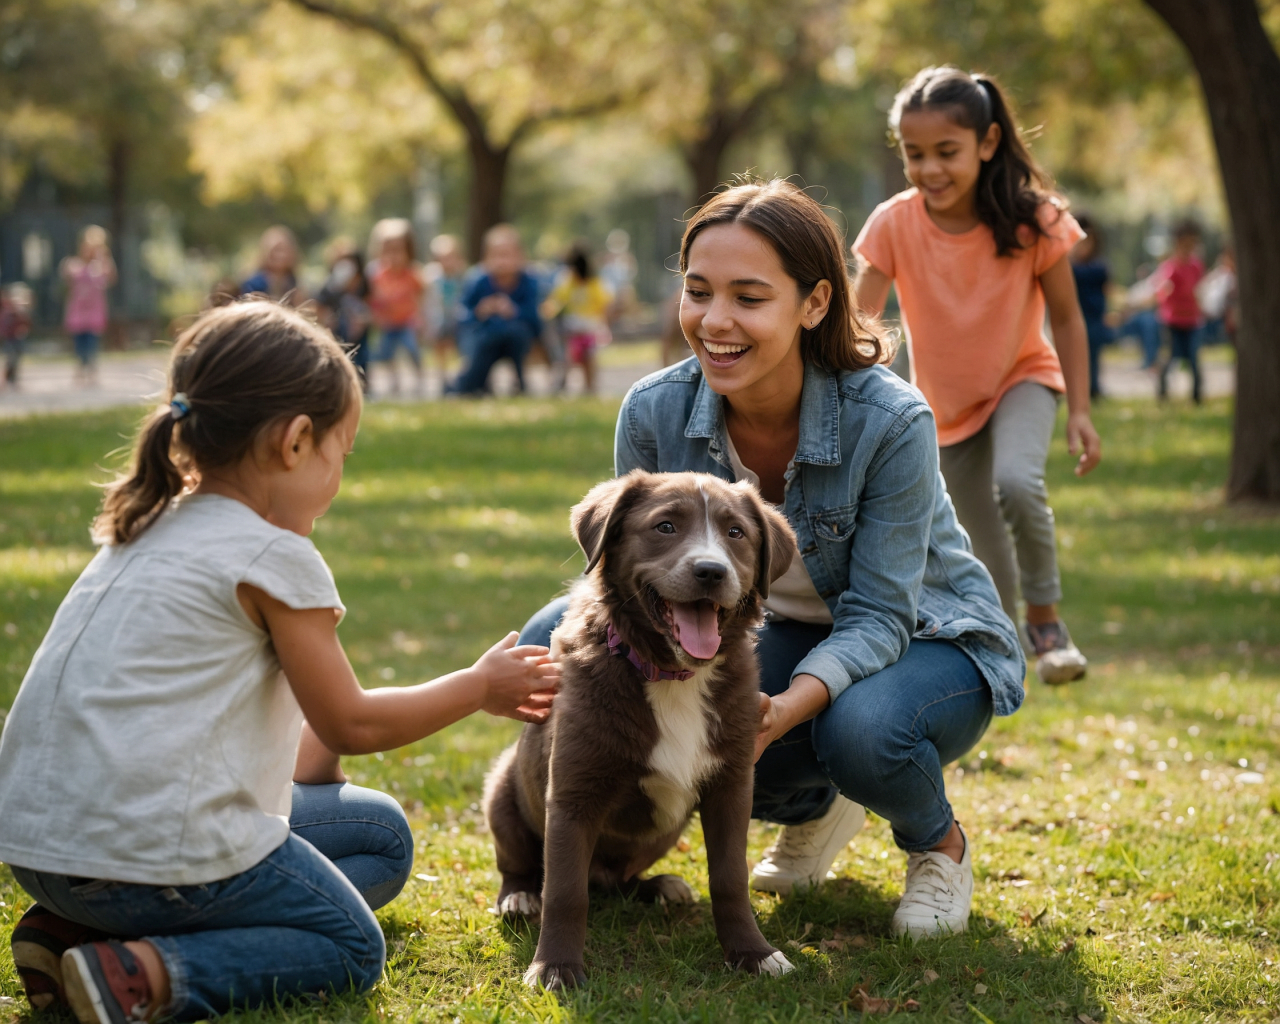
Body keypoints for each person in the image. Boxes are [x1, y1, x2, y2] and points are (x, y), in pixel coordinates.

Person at [0, 301, 558, 1022]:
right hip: (147, 852)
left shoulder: (145, 527)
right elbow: (352, 723)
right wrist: (477, 687)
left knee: (379, 836)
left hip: (44, 852)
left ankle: (70, 932)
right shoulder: (271, 555)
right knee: (352, 948)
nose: (339, 476)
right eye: (342, 453)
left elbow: (308, 745)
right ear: (296, 442)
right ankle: (141, 970)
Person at [518, 180, 1025, 939]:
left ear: (814, 303)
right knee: (548, 639)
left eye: (749, 298)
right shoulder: (654, 410)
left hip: (926, 632)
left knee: (856, 731)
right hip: (768, 622)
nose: (715, 321)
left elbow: (881, 613)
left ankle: (936, 845)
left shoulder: (890, 421)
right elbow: (621, 578)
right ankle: (819, 807)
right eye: (698, 292)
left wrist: (787, 708)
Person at [851, 66, 1101, 687]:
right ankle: (1007, 644)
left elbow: (1067, 320)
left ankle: (1045, 620)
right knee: (976, 545)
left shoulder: (1033, 219)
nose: (930, 169)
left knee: (1017, 482)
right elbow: (859, 324)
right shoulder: (893, 222)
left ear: (987, 144)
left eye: (946, 152)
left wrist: (1080, 410)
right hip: (942, 406)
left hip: (1022, 377)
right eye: (914, 154)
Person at [446, 225, 540, 396]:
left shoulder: (528, 280)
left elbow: (535, 317)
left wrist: (513, 311)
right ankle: (474, 383)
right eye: (496, 255)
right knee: (482, 342)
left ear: (519, 256)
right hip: (483, 338)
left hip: (516, 338)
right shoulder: (477, 280)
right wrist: (479, 311)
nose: (501, 261)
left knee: (516, 334)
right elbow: (461, 314)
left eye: (507, 254)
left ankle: (519, 382)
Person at [541, 243, 613, 395]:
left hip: (590, 330)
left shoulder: (594, 284)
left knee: (589, 361)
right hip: (572, 331)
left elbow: (604, 305)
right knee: (569, 359)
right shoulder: (568, 283)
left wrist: (603, 325)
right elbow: (557, 301)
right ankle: (562, 385)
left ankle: (590, 388)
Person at [367, 219, 426, 395]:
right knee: (387, 352)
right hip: (388, 322)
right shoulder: (377, 275)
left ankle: (419, 377)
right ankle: (394, 380)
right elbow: (372, 299)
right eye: (388, 251)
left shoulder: (412, 273)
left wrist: (421, 316)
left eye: (398, 250)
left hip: (407, 320)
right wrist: (376, 314)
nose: (393, 256)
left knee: (412, 349)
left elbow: (422, 294)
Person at [1153, 220, 1205, 405]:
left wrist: (1202, 307)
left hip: (1192, 319)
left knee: (1193, 357)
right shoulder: (1170, 267)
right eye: (1186, 243)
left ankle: (1197, 396)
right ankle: (1162, 393)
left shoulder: (1196, 266)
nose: (1189, 247)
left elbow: (1199, 289)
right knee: (1169, 357)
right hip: (1172, 320)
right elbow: (1161, 288)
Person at [60, 225, 117, 386]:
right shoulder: (74, 264)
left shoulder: (101, 266)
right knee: (79, 342)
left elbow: (111, 276)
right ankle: (81, 367)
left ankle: (90, 368)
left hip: (94, 312)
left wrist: (103, 256)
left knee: (92, 342)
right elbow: (67, 276)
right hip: (78, 311)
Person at [318, 247, 373, 395]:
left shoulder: (363, 286)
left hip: (360, 335)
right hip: (338, 331)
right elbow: (321, 306)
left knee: (361, 358)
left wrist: (364, 319)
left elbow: (371, 306)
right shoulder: (330, 287)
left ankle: (363, 387)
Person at [1070, 215, 1111, 400]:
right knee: (1074, 355)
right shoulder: (1069, 268)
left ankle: (1093, 388)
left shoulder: (1098, 267)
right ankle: (1075, 390)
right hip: (1074, 317)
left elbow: (1107, 290)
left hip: (1094, 318)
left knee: (1093, 356)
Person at [424, 234, 468, 381]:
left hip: (457, 317)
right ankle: (442, 375)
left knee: (459, 345)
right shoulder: (432, 277)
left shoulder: (462, 277)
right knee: (440, 346)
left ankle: (460, 374)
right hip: (439, 318)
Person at [241, 225, 301, 303]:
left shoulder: (295, 283)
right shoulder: (252, 284)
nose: (280, 255)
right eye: (275, 250)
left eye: (283, 250)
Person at [1, 282, 33, 390]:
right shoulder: (8, 313)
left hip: (18, 339)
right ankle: (6, 380)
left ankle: (13, 380)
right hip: (10, 339)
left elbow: (26, 324)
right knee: (10, 359)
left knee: (16, 360)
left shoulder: (22, 313)